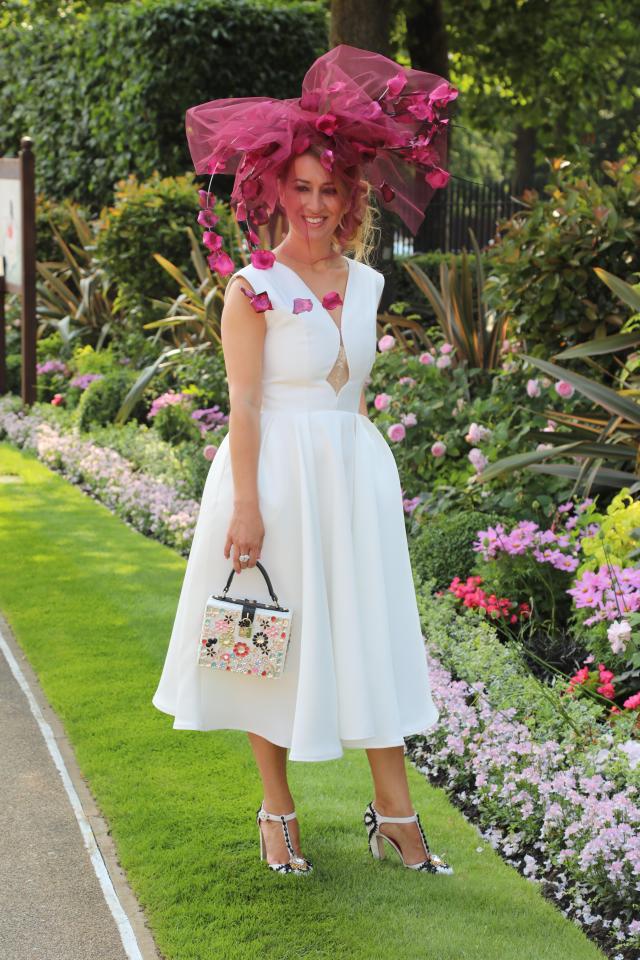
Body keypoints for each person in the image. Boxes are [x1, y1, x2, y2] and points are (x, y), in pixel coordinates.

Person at [152, 44, 457, 877]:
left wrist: (354, 475)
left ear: (349, 195)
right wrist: (246, 505)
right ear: (275, 190)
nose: (315, 204)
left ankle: (396, 816)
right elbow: (245, 404)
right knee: (268, 640)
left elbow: (351, 390)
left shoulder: (366, 284)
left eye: (330, 190)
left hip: (351, 477)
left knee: (366, 635)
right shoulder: (250, 287)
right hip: (274, 480)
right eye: (301, 188)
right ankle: (276, 813)